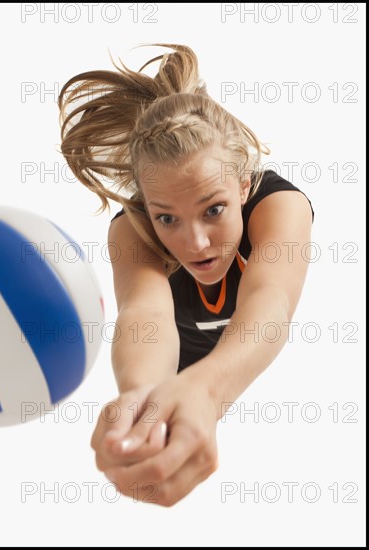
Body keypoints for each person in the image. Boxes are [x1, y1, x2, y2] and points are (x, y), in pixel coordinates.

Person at [58, 44, 314, 507]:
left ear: (243, 185)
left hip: (221, 371)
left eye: (213, 210)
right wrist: (143, 395)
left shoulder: (279, 206)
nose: (194, 243)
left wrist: (206, 390)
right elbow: (145, 314)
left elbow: (271, 299)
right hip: (174, 371)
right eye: (167, 219)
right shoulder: (133, 231)